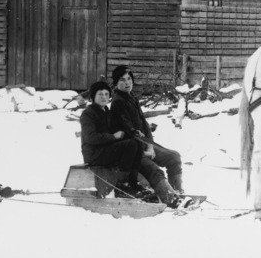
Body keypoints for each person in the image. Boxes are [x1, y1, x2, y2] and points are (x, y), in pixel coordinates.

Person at [109, 65, 184, 207]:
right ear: (116, 83)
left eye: (129, 79)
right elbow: (129, 131)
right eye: (122, 80)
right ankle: (171, 198)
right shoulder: (118, 102)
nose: (127, 83)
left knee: (174, 157)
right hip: (132, 150)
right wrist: (145, 149)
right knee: (154, 170)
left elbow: (144, 124)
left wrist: (151, 145)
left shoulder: (132, 98)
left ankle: (178, 191)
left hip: (145, 144)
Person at [79, 80, 145, 198]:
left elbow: (118, 128)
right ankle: (121, 186)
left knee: (137, 142)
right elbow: (91, 137)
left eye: (106, 94)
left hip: (106, 149)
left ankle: (133, 182)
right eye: (100, 94)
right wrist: (113, 137)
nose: (104, 97)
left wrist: (132, 132)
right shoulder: (88, 113)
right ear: (93, 96)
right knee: (130, 145)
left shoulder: (106, 111)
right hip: (94, 154)